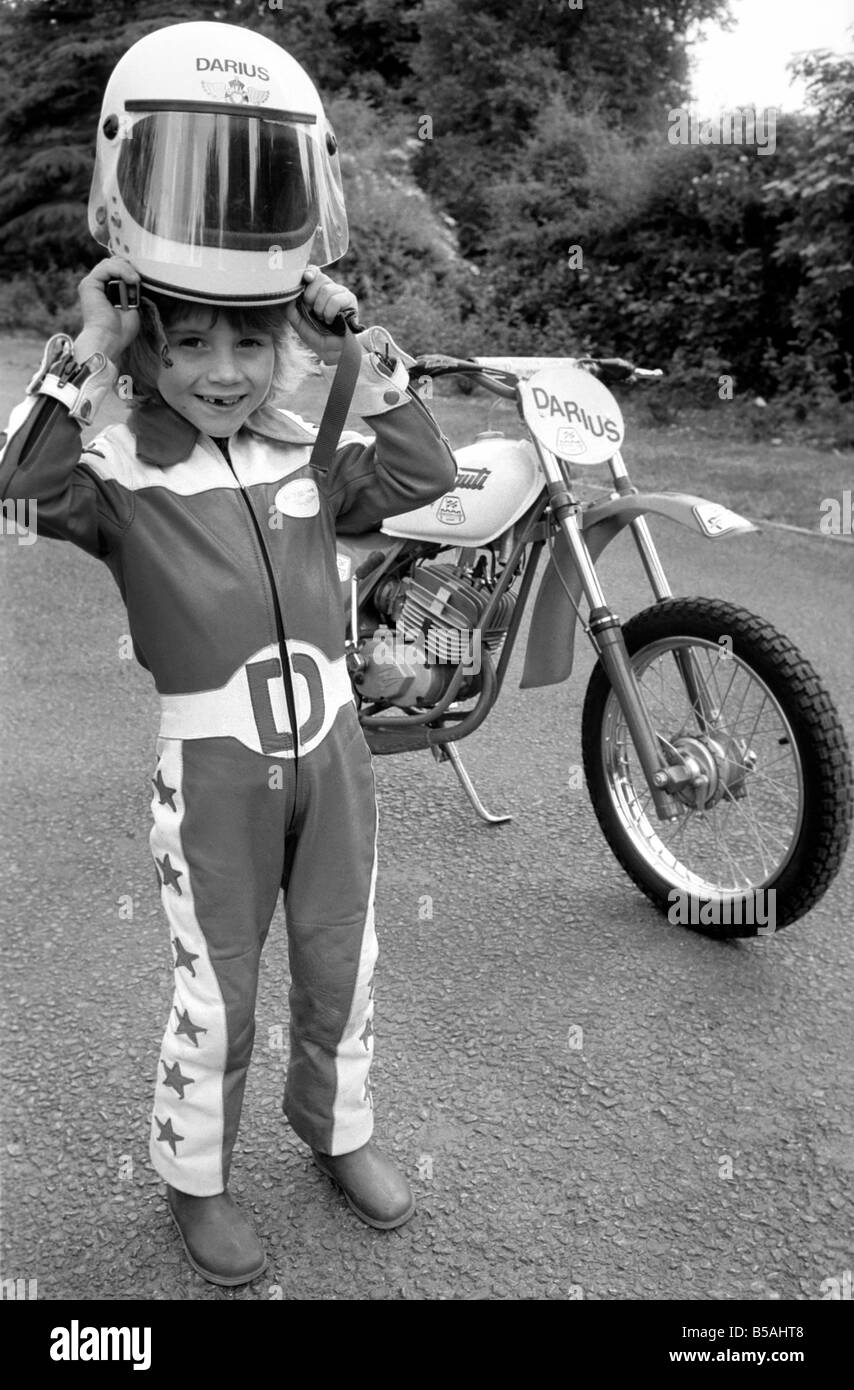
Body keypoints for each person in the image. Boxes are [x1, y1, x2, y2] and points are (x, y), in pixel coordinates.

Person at [0, 21, 457, 1287]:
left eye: (247, 342)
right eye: (186, 340)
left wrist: (345, 335)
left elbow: (419, 469)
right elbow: (17, 483)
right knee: (223, 991)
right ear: (149, 345)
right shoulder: (117, 469)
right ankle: (194, 1175)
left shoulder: (306, 454)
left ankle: (338, 1129)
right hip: (211, 776)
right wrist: (87, 350)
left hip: (337, 762)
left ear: (281, 350)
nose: (219, 369)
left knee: (340, 958)